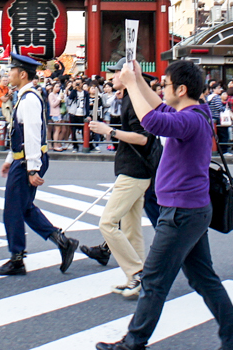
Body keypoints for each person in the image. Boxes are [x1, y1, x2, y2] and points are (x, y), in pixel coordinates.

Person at [97, 59, 233, 350]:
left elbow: (152, 120)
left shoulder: (190, 119)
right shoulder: (194, 112)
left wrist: (130, 84)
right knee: (204, 280)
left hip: (181, 213)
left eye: (165, 85)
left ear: (181, 89)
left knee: (153, 281)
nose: (161, 89)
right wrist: (138, 79)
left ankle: (133, 342)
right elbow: (160, 109)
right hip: (190, 210)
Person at [0, 52, 82, 277]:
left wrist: (32, 168)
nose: (7, 73)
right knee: (25, 208)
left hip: (27, 162)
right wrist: (9, 159)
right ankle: (62, 242)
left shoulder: (29, 98)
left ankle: (17, 259)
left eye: (11, 70)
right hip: (24, 160)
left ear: (22, 74)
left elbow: (32, 135)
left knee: (13, 210)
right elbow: (19, 134)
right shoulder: (24, 95)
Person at [86, 59, 159, 298]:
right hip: (135, 169)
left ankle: (136, 272)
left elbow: (143, 138)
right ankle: (136, 279)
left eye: (116, 72)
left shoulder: (134, 100)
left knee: (107, 223)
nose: (112, 76)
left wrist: (109, 131)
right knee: (131, 228)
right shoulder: (129, 98)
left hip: (135, 171)